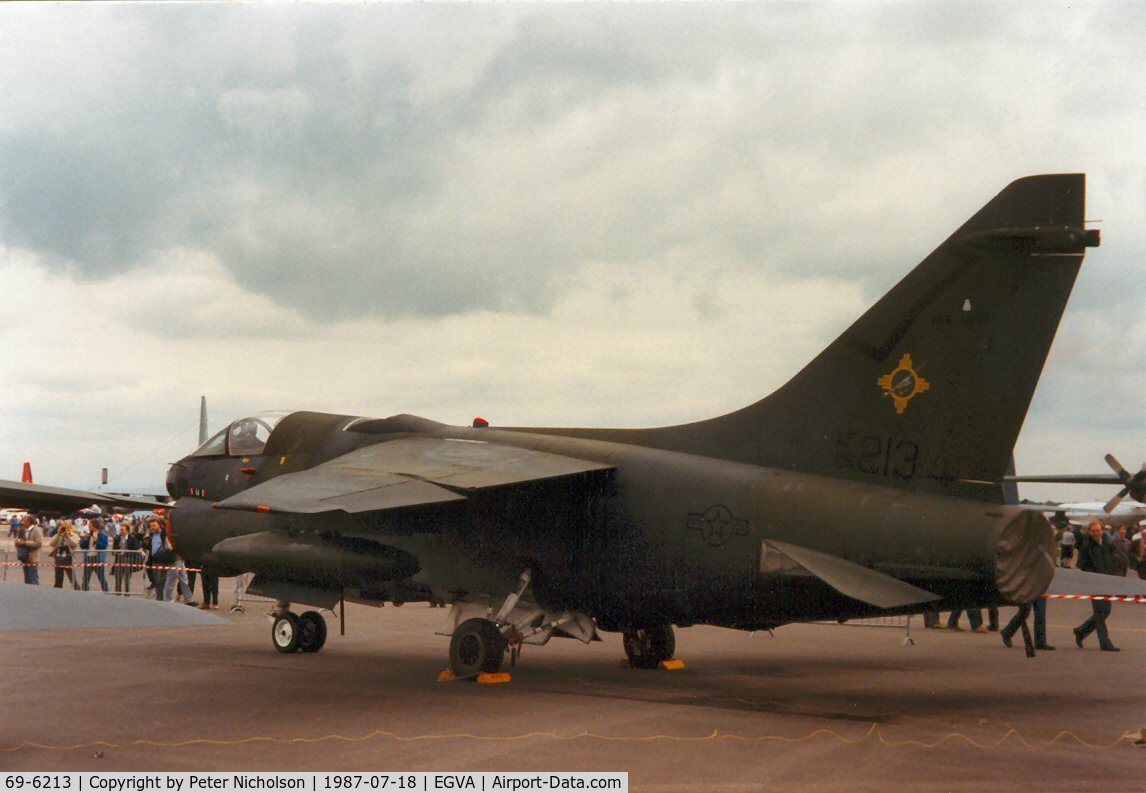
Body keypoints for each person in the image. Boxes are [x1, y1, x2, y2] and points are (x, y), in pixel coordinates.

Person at [1073, 520, 1120, 651]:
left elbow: (1112, 562)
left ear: (1102, 530)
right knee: (1100, 613)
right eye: (1093, 531)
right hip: (1094, 583)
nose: (1096, 533)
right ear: (1090, 532)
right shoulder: (1087, 546)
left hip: (1107, 582)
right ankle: (1105, 643)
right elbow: (1081, 565)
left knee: (1106, 612)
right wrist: (1093, 575)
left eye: (1098, 530)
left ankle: (1081, 631)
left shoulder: (1107, 544)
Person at [112, 521, 142, 595]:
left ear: (127, 530)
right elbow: (114, 549)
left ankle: (127, 593)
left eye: (122, 529)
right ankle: (117, 593)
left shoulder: (132, 538)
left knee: (127, 579)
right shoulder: (118, 538)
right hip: (118, 560)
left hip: (129, 559)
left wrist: (126, 552)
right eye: (120, 529)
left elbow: (136, 548)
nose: (121, 531)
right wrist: (115, 551)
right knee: (118, 578)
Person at [46, 520, 79, 588]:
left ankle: (77, 590)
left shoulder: (74, 535)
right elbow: (51, 544)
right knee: (58, 579)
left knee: (72, 578)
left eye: (67, 527)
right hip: (59, 558)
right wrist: (58, 534)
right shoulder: (59, 535)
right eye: (64, 527)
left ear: (70, 527)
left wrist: (68, 537)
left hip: (69, 558)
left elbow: (74, 544)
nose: (65, 529)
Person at [80, 519, 110, 592]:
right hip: (89, 558)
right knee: (86, 577)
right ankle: (84, 590)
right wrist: (85, 539)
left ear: (94, 526)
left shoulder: (102, 535)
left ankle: (106, 590)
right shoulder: (89, 535)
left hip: (98, 558)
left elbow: (103, 546)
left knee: (101, 577)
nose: (89, 527)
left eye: (90, 525)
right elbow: (83, 546)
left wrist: (96, 540)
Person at [14, 514, 44, 585]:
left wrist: (25, 543)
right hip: (24, 558)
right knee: (27, 580)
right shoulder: (23, 530)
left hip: (32, 559)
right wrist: (17, 543)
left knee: (33, 579)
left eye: (24, 521)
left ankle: (35, 594)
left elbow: (38, 543)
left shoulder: (37, 530)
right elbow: (18, 540)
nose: (22, 522)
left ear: (28, 522)